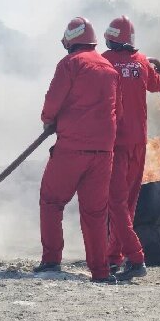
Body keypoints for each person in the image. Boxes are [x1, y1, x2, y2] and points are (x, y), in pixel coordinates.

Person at [35, 16, 120, 284]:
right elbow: (115, 108)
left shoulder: (70, 64)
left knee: (51, 201)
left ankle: (51, 261)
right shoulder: (109, 68)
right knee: (95, 214)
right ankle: (100, 272)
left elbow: (52, 102)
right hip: (104, 152)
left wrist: (49, 120)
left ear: (71, 40)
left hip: (71, 149)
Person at [101, 15, 160, 281]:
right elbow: (157, 85)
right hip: (139, 144)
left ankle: (136, 258)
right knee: (127, 204)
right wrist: (159, 72)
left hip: (116, 144)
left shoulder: (104, 61)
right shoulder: (141, 62)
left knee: (115, 205)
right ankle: (113, 258)